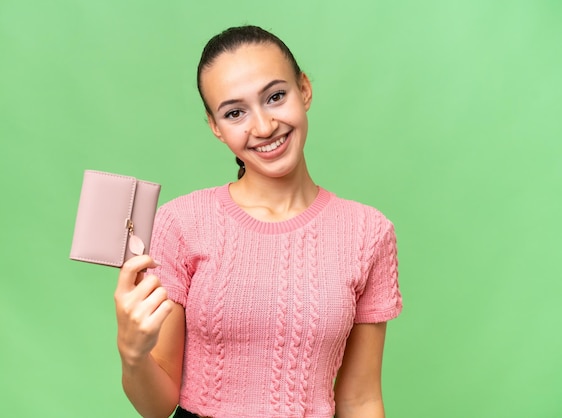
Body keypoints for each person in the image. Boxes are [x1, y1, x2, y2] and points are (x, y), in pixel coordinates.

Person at [114, 25, 403, 418]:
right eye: (235, 112)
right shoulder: (180, 224)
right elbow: (157, 407)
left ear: (304, 89)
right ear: (216, 127)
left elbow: (360, 399)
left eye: (276, 96)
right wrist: (133, 355)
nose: (264, 127)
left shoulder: (368, 233)